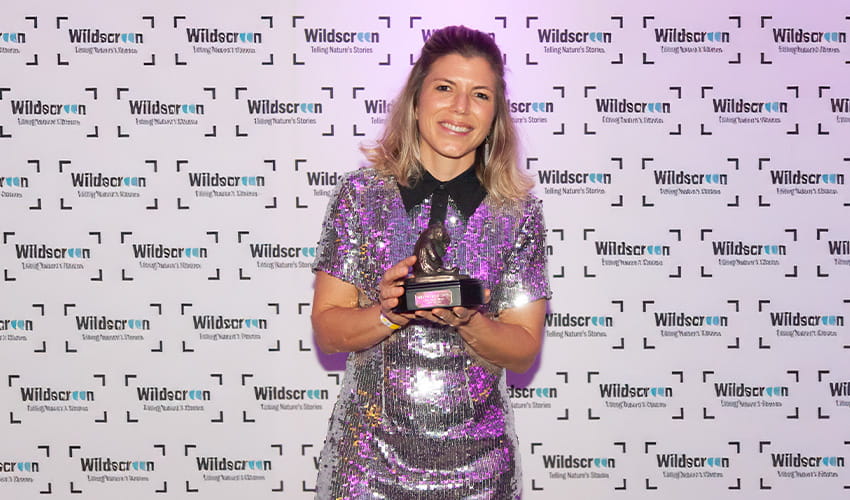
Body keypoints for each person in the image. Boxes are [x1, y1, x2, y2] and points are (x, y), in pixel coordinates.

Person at [311, 25, 551, 499]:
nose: (460, 108)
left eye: (479, 95)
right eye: (445, 88)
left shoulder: (518, 211)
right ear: (417, 98)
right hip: (365, 468)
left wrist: (469, 321)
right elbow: (328, 330)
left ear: (495, 114)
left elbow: (524, 348)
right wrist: (389, 312)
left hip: (481, 472)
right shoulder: (360, 196)